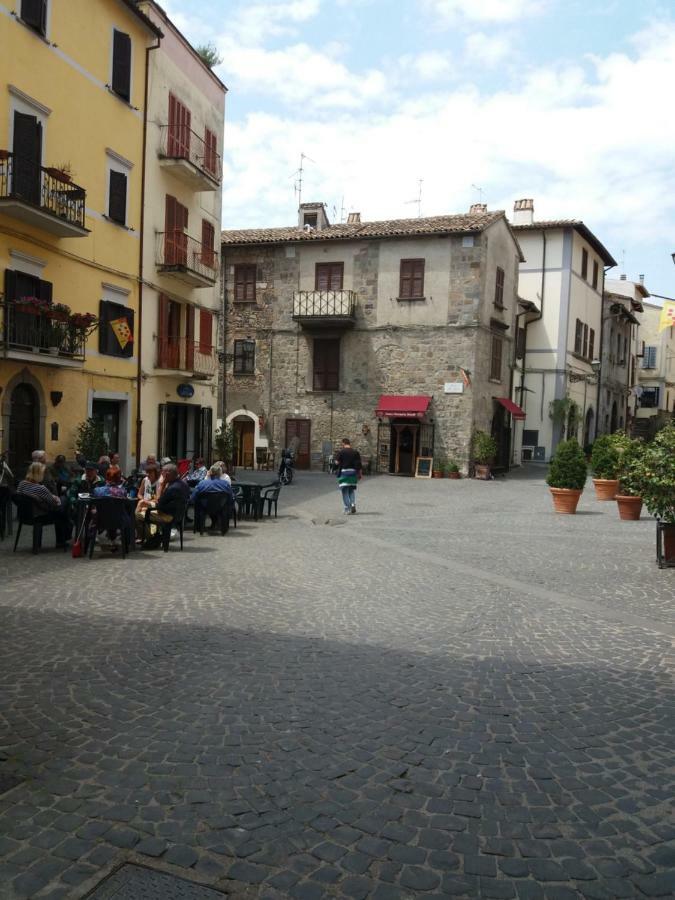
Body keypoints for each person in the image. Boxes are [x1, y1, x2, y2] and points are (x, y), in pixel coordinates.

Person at [17, 462, 71, 546]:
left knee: (63, 511)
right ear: (39, 474)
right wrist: (56, 498)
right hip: (40, 515)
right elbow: (54, 504)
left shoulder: (21, 484)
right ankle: (63, 538)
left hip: (24, 515)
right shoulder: (40, 488)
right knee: (65, 503)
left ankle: (64, 532)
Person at [143, 464, 189, 548]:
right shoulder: (183, 484)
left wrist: (161, 485)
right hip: (179, 514)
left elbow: (159, 503)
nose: (161, 475)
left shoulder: (172, 488)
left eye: (162, 473)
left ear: (167, 474)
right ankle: (156, 536)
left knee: (138, 515)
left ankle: (151, 539)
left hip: (168, 515)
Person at [191, 464, 233, 531]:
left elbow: (193, 497)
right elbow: (231, 497)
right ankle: (223, 527)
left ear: (209, 473)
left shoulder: (202, 483)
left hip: (205, 507)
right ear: (220, 473)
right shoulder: (225, 484)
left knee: (198, 504)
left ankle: (199, 527)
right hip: (221, 507)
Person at [335, 437, 362, 515]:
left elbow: (336, 462)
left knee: (345, 491)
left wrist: (337, 462)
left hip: (344, 473)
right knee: (351, 490)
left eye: (342, 444)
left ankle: (347, 509)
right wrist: (360, 474)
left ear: (343, 443)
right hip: (353, 473)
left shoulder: (341, 452)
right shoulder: (355, 452)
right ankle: (353, 504)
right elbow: (359, 464)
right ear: (349, 443)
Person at [134, 461, 160, 541]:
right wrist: (143, 499)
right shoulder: (145, 480)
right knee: (137, 514)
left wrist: (146, 502)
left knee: (138, 514)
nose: (148, 475)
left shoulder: (159, 483)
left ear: (155, 473)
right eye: (147, 473)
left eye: (150, 473)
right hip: (144, 502)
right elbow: (139, 494)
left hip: (154, 504)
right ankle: (143, 535)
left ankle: (146, 536)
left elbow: (157, 499)